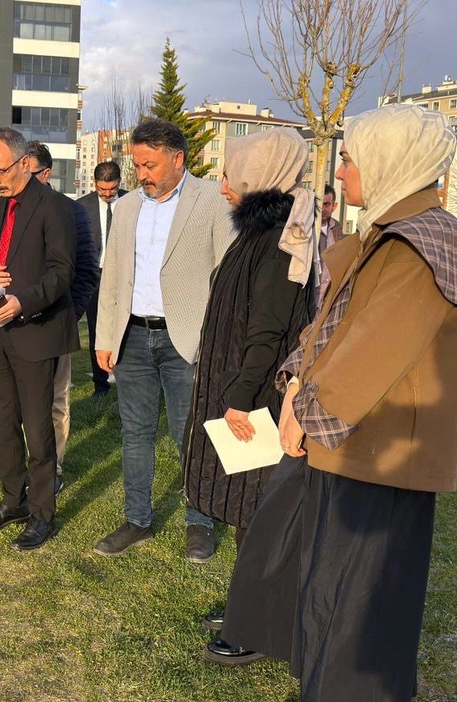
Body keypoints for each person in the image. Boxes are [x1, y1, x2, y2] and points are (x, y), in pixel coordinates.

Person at [218, 105, 457, 702]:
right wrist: (297, 381)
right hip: (357, 447)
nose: (342, 172)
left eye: (349, 158)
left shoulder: (418, 244)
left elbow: (373, 349)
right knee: (332, 587)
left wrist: (304, 410)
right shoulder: (395, 232)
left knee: (361, 602)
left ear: (387, 161)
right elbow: (334, 329)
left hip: (378, 454)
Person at [171, 127, 313, 664]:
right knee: (246, 512)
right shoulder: (260, 233)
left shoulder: (279, 241)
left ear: (257, 178)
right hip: (240, 389)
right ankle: (246, 606)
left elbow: (268, 331)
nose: (222, 184)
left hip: (257, 400)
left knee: (260, 514)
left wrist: (240, 395)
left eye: (230, 174)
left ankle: (257, 627)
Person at [93, 119, 235, 560]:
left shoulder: (212, 200)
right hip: (132, 337)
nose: (142, 174)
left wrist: (218, 341)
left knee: (189, 434)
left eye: (149, 165)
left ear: (178, 159)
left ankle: (200, 521)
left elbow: (228, 276)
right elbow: (113, 276)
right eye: (137, 165)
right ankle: (137, 520)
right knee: (135, 434)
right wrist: (104, 336)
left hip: (187, 341)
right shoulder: (126, 207)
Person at [0, 127, 77, 551]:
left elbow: (62, 272)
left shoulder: (56, 207)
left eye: (0, 171)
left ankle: (42, 513)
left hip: (37, 331)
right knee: (2, 426)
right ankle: (13, 501)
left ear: (25, 163)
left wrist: (23, 302)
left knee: (37, 428)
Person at [25, 141, 98, 491]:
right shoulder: (9, 210)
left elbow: (87, 271)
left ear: (46, 174)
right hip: (16, 328)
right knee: (21, 403)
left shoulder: (71, 212)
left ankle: (52, 470)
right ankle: (25, 467)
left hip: (55, 325)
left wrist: (70, 313)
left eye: (29, 173)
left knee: (55, 401)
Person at [77, 161, 127, 397]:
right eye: (102, 189)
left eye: (112, 189)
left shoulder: (132, 202)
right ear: (94, 183)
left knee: (126, 329)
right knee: (97, 330)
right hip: (94, 276)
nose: (107, 194)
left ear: (119, 182)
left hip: (125, 275)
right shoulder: (81, 207)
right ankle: (101, 384)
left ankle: (127, 380)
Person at [311, 184, 344, 311]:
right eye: (319, 204)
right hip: (308, 299)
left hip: (329, 301)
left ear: (334, 206)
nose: (322, 209)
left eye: (326, 204)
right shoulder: (304, 230)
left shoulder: (339, 231)